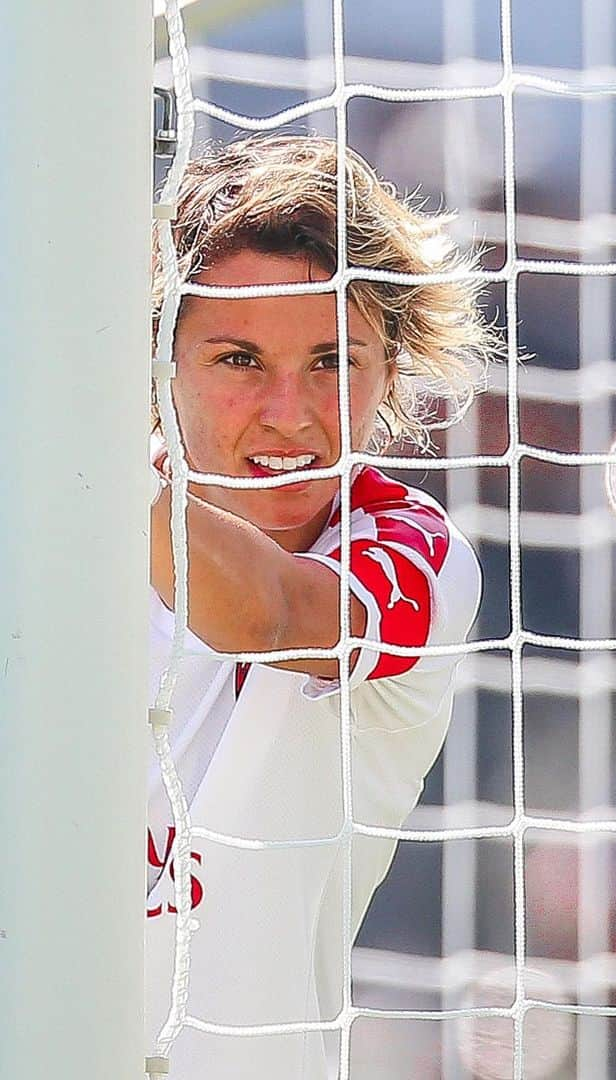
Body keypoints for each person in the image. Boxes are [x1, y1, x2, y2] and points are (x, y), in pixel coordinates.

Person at [144, 134, 497, 1079]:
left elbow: (262, 613)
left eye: (335, 361)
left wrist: (75, 434)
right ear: (159, 365)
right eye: (239, 358)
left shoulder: (416, 555)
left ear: (392, 372)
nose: (291, 413)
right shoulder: (57, 536)